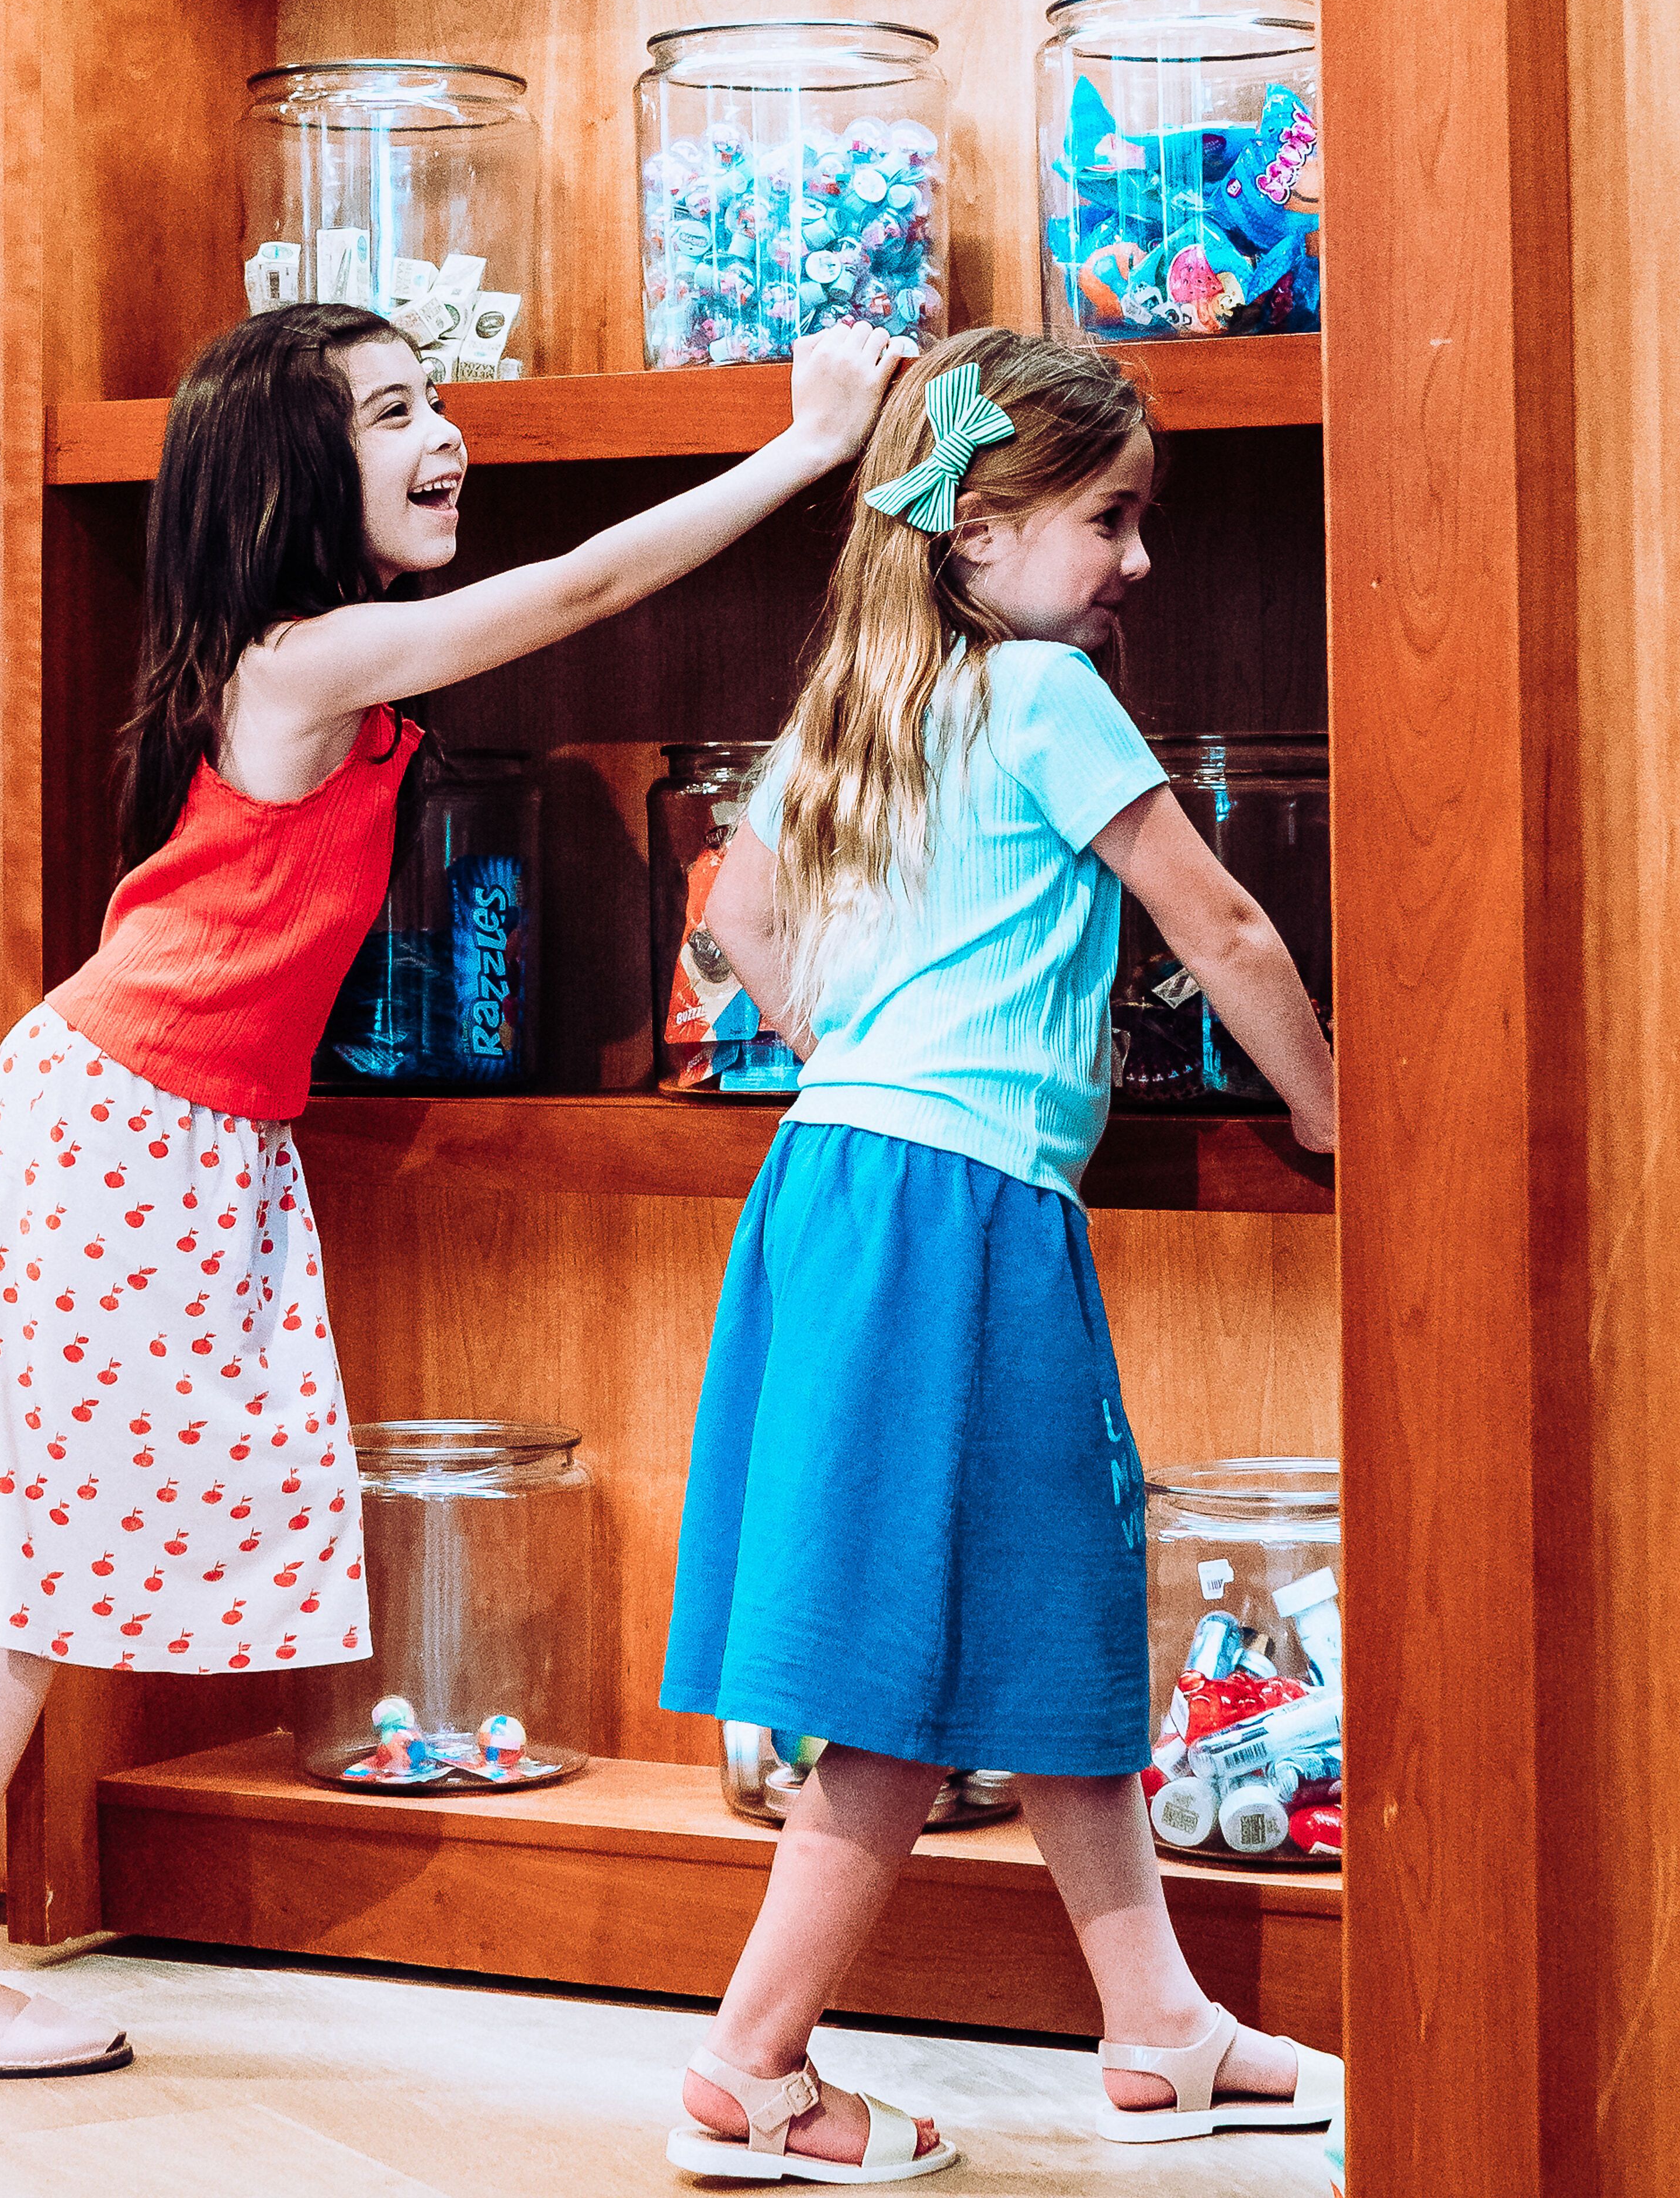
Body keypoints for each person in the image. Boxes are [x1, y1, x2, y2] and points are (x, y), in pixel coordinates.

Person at [0, 302, 898, 2077]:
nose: (442, 434)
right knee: (54, 1574)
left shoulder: (298, 670)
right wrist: (800, 451)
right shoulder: (302, 660)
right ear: (289, 480)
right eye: (391, 410)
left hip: (152, 1122)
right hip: (129, 1122)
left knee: (43, 1535)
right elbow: (567, 595)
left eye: (437, 398)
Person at [659, 326, 1343, 2180]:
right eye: (1111, 518)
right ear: (978, 525)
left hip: (851, 1185)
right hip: (951, 1212)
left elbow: (737, 932)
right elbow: (1224, 925)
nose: (1138, 561)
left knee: (1046, 1621)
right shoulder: (1041, 698)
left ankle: (1159, 2024)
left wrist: (863, 1041)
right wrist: (1336, 1114)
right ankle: (754, 2070)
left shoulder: (859, 709)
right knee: (900, 1674)